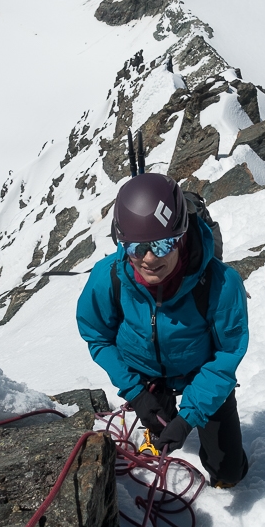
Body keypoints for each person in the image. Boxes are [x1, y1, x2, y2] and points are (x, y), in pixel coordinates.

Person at [76, 172, 250, 487]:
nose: (150, 258)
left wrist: (189, 417)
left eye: (163, 243)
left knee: (228, 474)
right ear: (122, 243)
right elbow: (98, 338)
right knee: (159, 429)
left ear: (183, 235)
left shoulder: (221, 285)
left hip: (200, 371)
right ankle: (161, 409)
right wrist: (138, 394)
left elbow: (227, 355)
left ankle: (196, 418)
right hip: (145, 376)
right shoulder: (108, 277)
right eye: (136, 248)